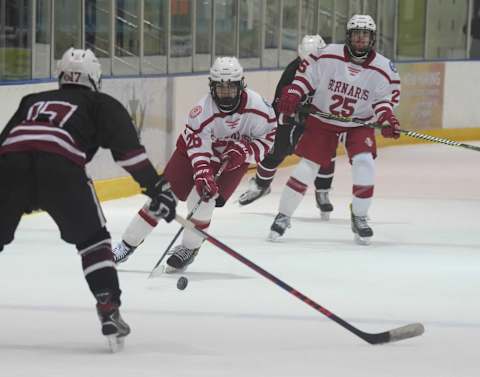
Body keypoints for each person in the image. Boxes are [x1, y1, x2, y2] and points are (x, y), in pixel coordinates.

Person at [0, 48, 177, 350]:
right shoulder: (100, 102)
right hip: (61, 166)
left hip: (10, 165)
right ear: (95, 78)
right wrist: (156, 187)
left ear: (61, 76)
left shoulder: (31, 100)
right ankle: (108, 306)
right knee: (94, 241)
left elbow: (6, 141)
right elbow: (129, 154)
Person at [113, 56, 277, 272]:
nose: (225, 94)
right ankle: (127, 244)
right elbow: (198, 148)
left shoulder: (260, 108)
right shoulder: (202, 111)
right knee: (163, 197)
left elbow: (269, 139)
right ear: (212, 87)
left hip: (232, 160)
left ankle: (190, 248)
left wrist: (245, 151)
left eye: (230, 88)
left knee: (204, 202)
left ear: (241, 85)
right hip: (190, 154)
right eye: (220, 89)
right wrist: (202, 173)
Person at [269, 14, 401, 245]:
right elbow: (306, 77)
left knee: (364, 164)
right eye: (356, 34)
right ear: (348, 36)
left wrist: (388, 119)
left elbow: (383, 101)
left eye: (365, 35)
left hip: (358, 124)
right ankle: (283, 216)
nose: (361, 39)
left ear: (372, 38)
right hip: (324, 121)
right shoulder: (328, 54)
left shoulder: (383, 67)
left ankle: (359, 216)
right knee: (307, 168)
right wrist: (293, 93)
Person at [238, 34, 339, 220]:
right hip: (292, 120)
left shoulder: (332, 71)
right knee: (274, 150)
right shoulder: (292, 71)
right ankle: (261, 185)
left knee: (325, 153)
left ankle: (323, 191)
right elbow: (279, 102)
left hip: (318, 123)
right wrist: (286, 115)